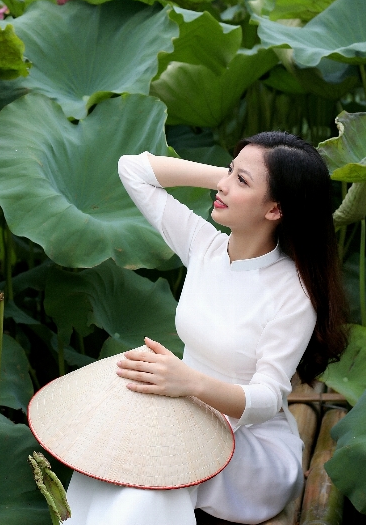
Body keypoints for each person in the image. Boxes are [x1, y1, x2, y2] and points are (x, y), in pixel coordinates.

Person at [66, 131, 348, 525]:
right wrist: (232, 177)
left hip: (250, 451)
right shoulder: (205, 247)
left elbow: (267, 398)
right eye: (229, 172)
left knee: (152, 480)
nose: (223, 185)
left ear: (275, 210)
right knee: (111, 457)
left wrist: (191, 383)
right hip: (181, 420)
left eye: (242, 182)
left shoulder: (294, 291)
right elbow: (132, 169)